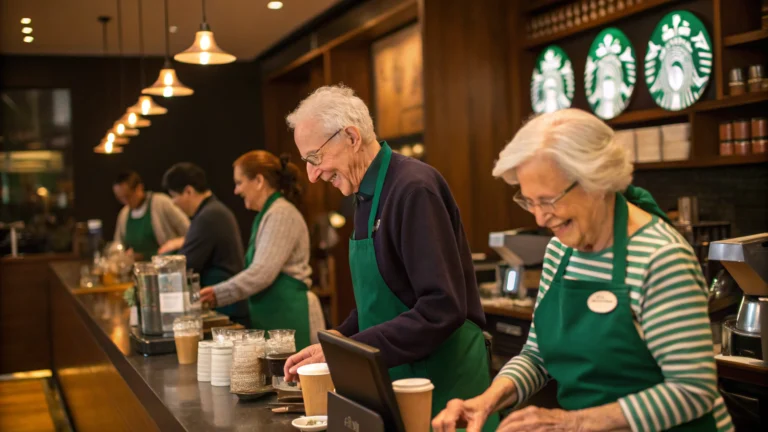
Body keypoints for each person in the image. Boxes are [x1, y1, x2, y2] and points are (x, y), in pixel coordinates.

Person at [432, 109, 734, 432]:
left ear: (597, 181)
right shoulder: (560, 250)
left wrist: (573, 422)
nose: (539, 218)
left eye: (548, 200)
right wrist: (487, 400)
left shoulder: (661, 258)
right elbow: (537, 355)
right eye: (529, 201)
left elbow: (693, 390)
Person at [282, 85, 498, 430]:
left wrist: (352, 350)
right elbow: (385, 301)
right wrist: (338, 339)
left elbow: (442, 307)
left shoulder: (413, 188)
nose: (312, 175)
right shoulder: (364, 195)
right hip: (399, 380)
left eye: (314, 158)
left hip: (442, 387)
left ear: (351, 137)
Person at [198, 151, 325, 349]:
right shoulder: (268, 214)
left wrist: (218, 293)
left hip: (290, 315)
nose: (236, 191)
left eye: (239, 183)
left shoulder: (281, 214)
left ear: (258, 180)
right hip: (277, 315)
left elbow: (261, 273)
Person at [158, 162, 250, 327]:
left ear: (188, 191)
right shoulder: (213, 210)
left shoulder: (209, 216)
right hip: (227, 304)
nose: (174, 203)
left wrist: (160, 264)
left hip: (227, 308)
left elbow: (185, 264)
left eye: (174, 196)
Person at [112, 171, 189, 260]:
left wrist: (175, 243)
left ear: (139, 188)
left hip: (166, 266)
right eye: (120, 198)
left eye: (128, 196)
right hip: (138, 270)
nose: (125, 201)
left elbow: (190, 231)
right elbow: (117, 245)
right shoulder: (124, 214)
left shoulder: (162, 203)